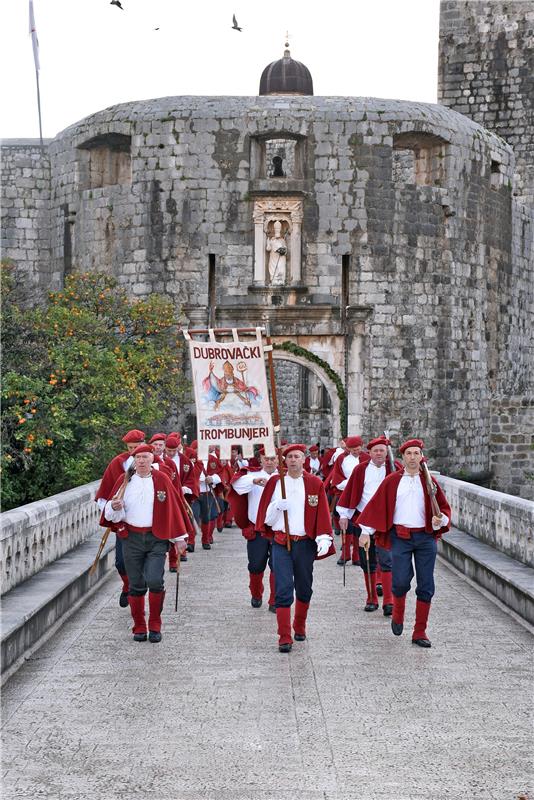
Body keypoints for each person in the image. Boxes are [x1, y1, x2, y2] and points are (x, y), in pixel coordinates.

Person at [358, 439, 451, 648]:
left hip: (426, 538)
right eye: (408, 453)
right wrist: (365, 532)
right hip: (400, 537)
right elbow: (377, 507)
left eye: (416, 453)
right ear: (403, 457)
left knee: (426, 584)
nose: (412, 457)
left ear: (421, 456)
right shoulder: (392, 481)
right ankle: (397, 615)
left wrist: (441, 520)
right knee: (400, 581)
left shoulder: (430, 482)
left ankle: (420, 631)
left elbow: (443, 509)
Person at [102, 444, 191, 643]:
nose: (141, 461)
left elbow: (173, 509)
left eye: (145, 457)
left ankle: (155, 624)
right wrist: (114, 507)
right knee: (136, 584)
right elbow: (110, 513)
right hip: (131, 538)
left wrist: (179, 539)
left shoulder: (162, 479)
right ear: (134, 460)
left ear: (153, 459)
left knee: (154, 580)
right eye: (138, 457)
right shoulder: (124, 480)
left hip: (156, 538)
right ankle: (139, 626)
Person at [256, 444, 334, 653]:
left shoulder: (314, 483)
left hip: (305, 543)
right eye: (289, 456)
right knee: (282, 588)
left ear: (303, 460)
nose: (292, 460)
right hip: (282, 542)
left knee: (304, 586)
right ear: (284, 460)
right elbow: (266, 519)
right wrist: (276, 507)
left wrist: (324, 537)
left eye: (296, 456)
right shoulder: (276, 482)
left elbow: (322, 513)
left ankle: (299, 625)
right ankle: (284, 636)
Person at [337, 436, 399, 614]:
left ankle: (389, 601)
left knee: (387, 561)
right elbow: (351, 492)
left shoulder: (395, 469)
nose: (379, 453)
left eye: (382, 450)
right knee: (368, 561)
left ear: (386, 452)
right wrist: (344, 514)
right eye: (375, 450)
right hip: (363, 521)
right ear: (369, 453)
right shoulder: (360, 470)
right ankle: (371, 598)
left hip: (387, 522)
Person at [94, 429, 145, 607]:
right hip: (123, 522)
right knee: (121, 562)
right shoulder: (118, 463)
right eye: (130, 448)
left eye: (137, 447)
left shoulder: (153, 463)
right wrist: (111, 510)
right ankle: (127, 585)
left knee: (144, 562)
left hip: (146, 522)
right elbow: (103, 495)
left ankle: (138, 590)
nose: (134, 451)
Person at [228, 449, 278, 610]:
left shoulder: (285, 478)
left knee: (278, 565)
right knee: (256, 565)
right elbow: (236, 484)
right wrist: (254, 481)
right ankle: (256, 593)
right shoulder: (251, 475)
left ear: (278, 460)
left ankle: (274, 600)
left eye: (272, 458)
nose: (269, 462)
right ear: (261, 460)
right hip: (258, 528)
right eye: (266, 459)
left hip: (279, 529)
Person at [327, 435, 370, 565]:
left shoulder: (367, 459)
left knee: (358, 525)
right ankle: (345, 554)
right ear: (348, 449)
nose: (355, 452)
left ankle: (357, 555)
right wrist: (352, 483)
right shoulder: (341, 458)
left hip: (362, 496)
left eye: (357, 449)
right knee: (346, 524)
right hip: (345, 493)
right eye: (352, 450)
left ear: (361, 447)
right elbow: (337, 478)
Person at [266, 219, 287, 285]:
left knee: (281, 268)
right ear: (274, 230)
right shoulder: (272, 240)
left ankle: (281, 280)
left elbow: (285, 248)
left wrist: (283, 251)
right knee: (273, 268)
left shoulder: (282, 240)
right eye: (276, 229)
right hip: (273, 257)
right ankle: (273, 280)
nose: (277, 230)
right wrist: (268, 242)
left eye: (278, 229)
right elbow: (268, 249)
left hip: (281, 257)